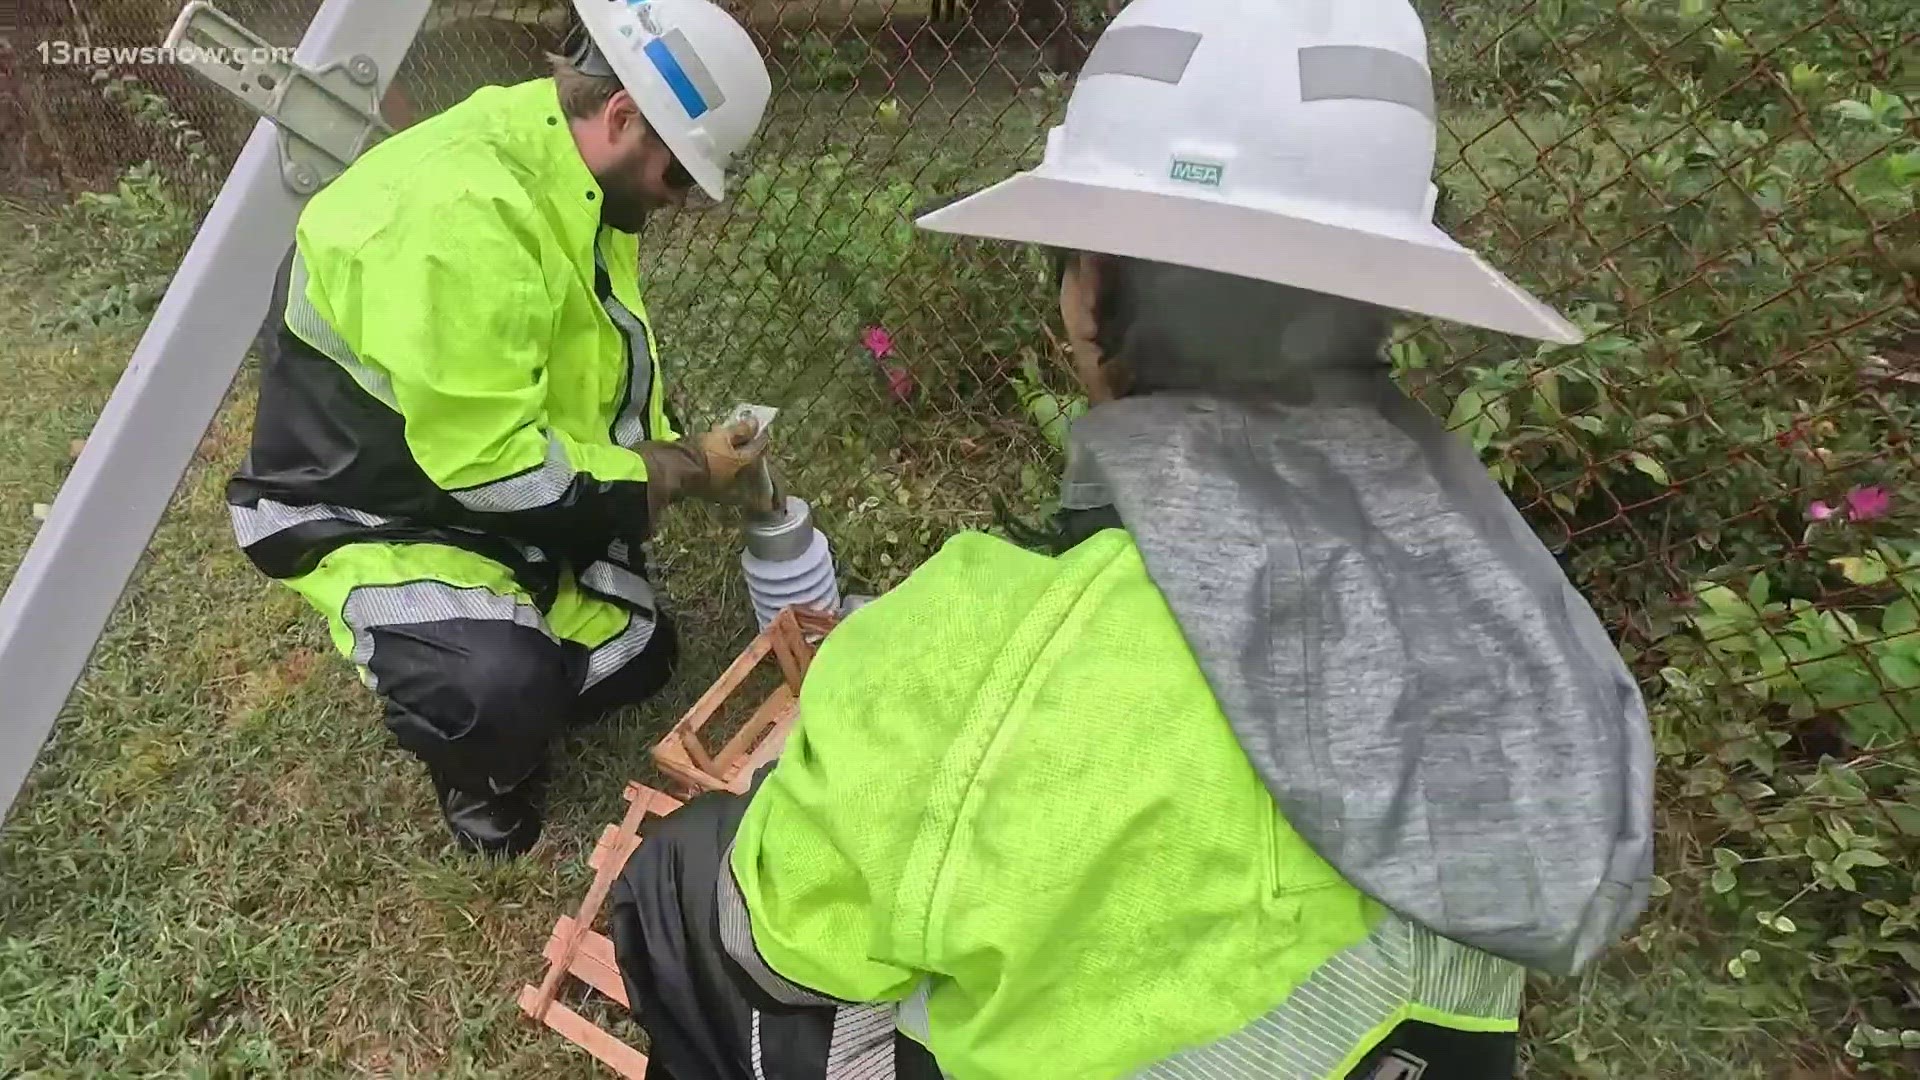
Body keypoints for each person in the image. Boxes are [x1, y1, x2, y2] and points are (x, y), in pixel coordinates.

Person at [602, 0, 1656, 1076]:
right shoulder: (1505, 605)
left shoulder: (984, 653)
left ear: (1090, 290)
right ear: (1381, 301)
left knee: (683, 885)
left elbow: (779, 930)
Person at [223, 0, 776, 859]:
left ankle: (505, 633)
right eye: (680, 181)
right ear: (625, 116)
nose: (682, 206)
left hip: (465, 482)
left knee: (642, 657)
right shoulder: (463, 218)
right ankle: (478, 774)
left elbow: (588, 373)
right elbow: (495, 469)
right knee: (501, 691)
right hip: (367, 504)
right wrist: (678, 471)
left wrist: (667, 448)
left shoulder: (571, 174)